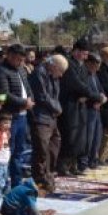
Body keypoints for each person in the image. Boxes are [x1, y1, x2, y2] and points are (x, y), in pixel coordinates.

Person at [58, 40, 103, 175]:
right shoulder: (68, 65)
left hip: (82, 104)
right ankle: (64, 166)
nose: (85, 57)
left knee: (80, 137)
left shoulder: (83, 67)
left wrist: (90, 96)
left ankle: (74, 165)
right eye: (84, 54)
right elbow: (77, 85)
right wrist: (96, 96)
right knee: (70, 136)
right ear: (76, 51)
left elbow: (87, 85)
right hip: (70, 104)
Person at [0, 44, 34, 188]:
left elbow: (28, 88)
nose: (20, 62)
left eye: (22, 59)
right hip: (10, 117)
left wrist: (30, 100)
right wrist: (23, 102)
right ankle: (3, 185)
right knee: (7, 152)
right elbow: (4, 93)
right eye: (17, 59)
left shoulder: (22, 70)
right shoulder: (0, 71)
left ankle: (16, 183)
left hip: (23, 115)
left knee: (19, 152)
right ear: (9, 56)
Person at [28, 54, 66, 191]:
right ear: (54, 66)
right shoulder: (39, 73)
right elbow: (42, 96)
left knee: (54, 146)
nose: (61, 75)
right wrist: (57, 108)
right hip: (40, 117)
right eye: (60, 71)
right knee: (41, 150)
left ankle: (48, 174)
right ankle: (40, 178)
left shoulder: (53, 76)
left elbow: (55, 95)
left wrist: (57, 108)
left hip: (51, 117)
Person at [82, 53, 104, 169]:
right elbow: (87, 92)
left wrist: (101, 99)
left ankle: (93, 161)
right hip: (89, 109)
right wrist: (96, 100)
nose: (97, 66)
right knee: (89, 137)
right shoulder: (85, 75)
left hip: (97, 109)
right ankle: (84, 162)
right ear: (89, 63)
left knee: (97, 136)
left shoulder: (95, 75)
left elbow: (101, 91)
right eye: (96, 63)